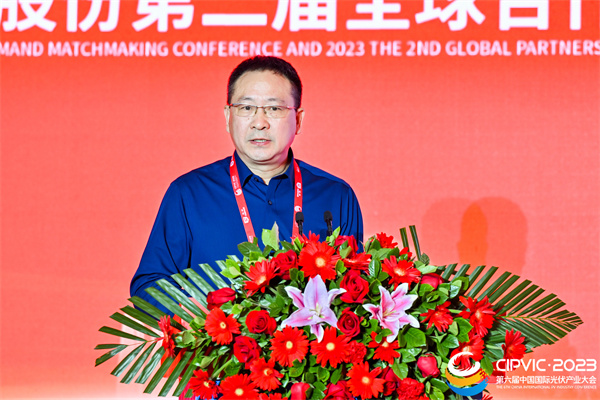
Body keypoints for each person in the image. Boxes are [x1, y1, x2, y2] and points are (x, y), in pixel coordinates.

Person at [130, 56, 363, 311]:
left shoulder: (336, 196)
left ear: (298, 120)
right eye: (246, 107)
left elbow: (355, 288)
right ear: (228, 116)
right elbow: (148, 287)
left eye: (274, 109)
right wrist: (203, 316)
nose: (259, 122)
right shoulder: (188, 194)